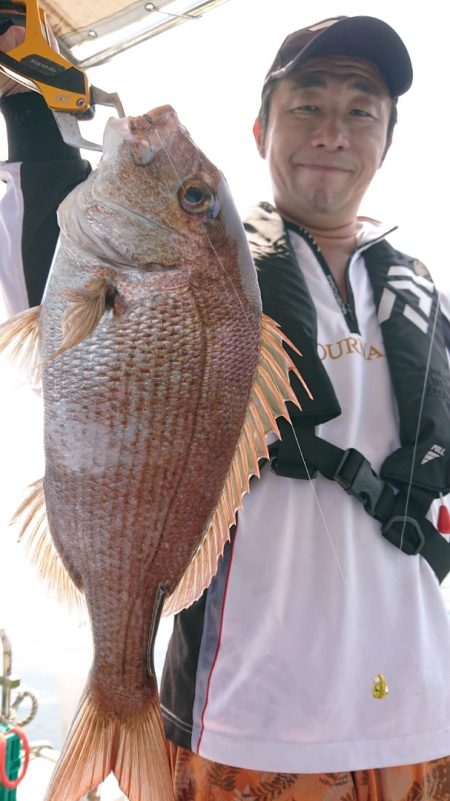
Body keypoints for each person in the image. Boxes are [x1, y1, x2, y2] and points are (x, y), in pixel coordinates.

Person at [1, 14, 450, 801]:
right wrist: (27, 107)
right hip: (247, 722)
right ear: (261, 128)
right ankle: (118, 698)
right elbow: (54, 262)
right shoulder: (217, 280)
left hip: (424, 715)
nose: (332, 131)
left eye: (361, 109)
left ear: (386, 139)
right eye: (306, 104)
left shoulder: (422, 294)